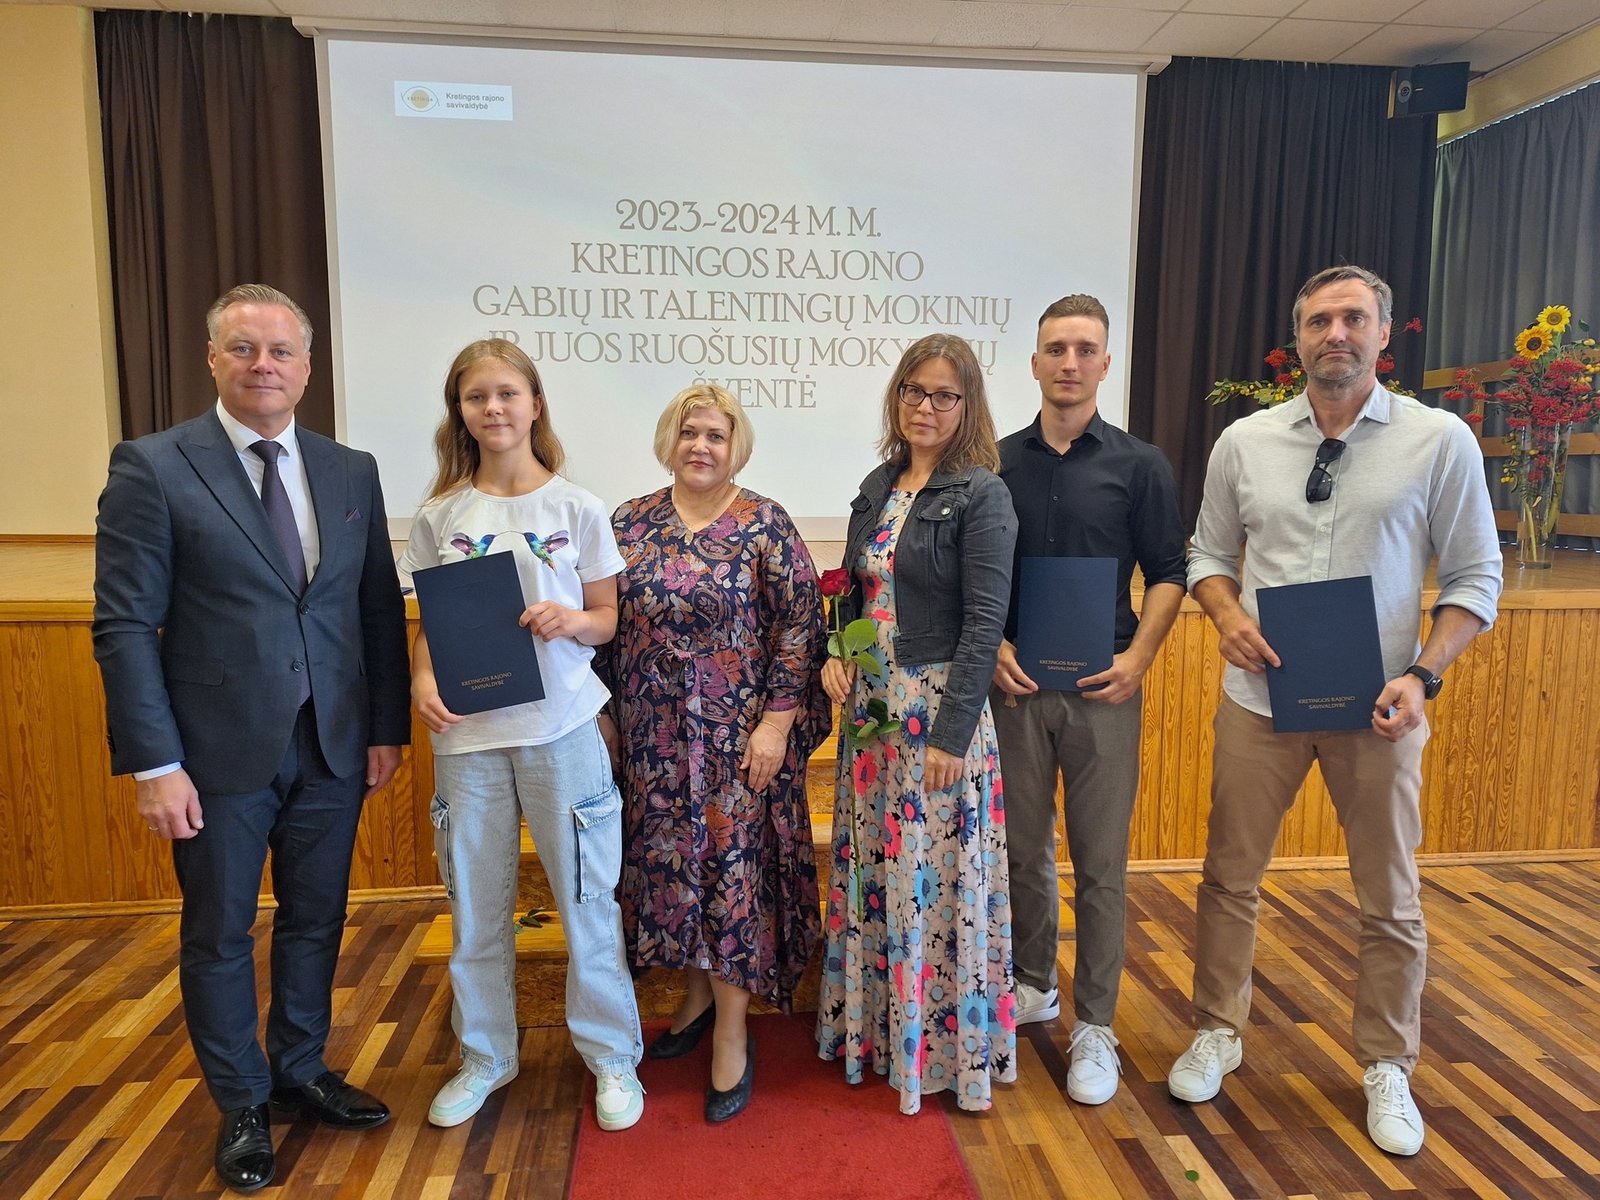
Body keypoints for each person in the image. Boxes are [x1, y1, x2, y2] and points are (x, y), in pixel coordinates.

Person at [1169, 266, 1503, 1156]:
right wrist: (1227, 615)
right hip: (1258, 702)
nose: (1336, 334)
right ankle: (1217, 1030)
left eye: (1354, 318)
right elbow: (1206, 554)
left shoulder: (1439, 441)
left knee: (1389, 896)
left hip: (1381, 708)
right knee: (1228, 877)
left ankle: (1388, 1063)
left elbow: (1477, 577)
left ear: (1383, 334)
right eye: (1319, 321)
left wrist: (1423, 676)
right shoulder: (1244, 442)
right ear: (1299, 338)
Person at [92, 284, 411, 1194]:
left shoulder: (350, 469)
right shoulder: (154, 466)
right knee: (220, 930)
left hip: (333, 743)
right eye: (243, 348)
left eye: (280, 351)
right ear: (212, 359)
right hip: (214, 754)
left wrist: (385, 726)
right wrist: (156, 763)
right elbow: (124, 625)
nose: (262, 365)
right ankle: (240, 1101)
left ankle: (300, 1069)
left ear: (307, 367)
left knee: (317, 917)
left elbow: (375, 607)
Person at [400, 339, 645, 1133]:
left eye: (508, 393)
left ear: (536, 404)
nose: (494, 408)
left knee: (587, 905)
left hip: (563, 731)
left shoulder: (578, 508)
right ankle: (485, 1057)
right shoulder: (439, 517)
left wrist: (572, 620)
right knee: (476, 911)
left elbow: (607, 620)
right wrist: (422, 681)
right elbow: (430, 632)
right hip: (468, 744)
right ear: (460, 412)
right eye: (477, 396)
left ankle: (611, 1058)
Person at [608, 383, 829, 1124]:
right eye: (689, 432)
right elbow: (606, 622)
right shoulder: (628, 521)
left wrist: (776, 724)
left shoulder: (765, 522)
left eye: (716, 435)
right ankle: (697, 1000)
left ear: (736, 447)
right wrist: (606, 717)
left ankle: (732, 1032)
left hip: (739, 741)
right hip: (654, 741)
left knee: (732, 874)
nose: (700, 446)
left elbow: (800, 627)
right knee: (676, 872)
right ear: (669, 439)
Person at [989, 295, 1188, 1105]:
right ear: (1034, 362)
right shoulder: (994, 464)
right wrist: (994, 646)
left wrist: (1139, 657)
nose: (1069, 362)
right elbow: (978, 577)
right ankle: (1034, 983)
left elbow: (1170, 572)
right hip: (1016, 690)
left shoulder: (1141, 466)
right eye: (1055, 348)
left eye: (1084, 349)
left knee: (1101, 863)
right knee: (1022, 851)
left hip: (1106, 689)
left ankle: (1097, 1025)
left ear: (1106, 363)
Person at [816, 333, 1019, 1114]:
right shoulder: (878, 484)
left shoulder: (981, 494)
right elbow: (854, 593)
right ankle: (878, 1033)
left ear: (967, 406)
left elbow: (984, 623)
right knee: (879, 877)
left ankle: (940, 1052)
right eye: (913, 390)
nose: (925, 406)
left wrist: (951, 735)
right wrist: (835, 655)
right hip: (872, 716)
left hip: (935, 715)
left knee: (935, 882)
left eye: (943, 395)